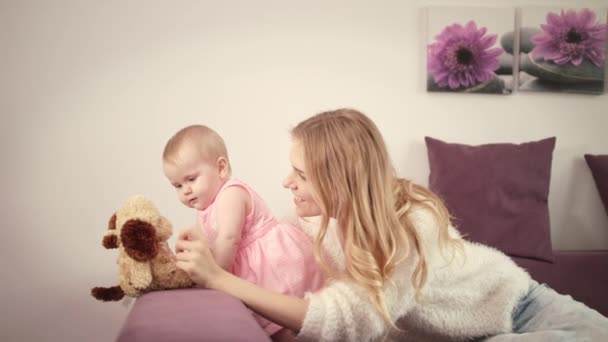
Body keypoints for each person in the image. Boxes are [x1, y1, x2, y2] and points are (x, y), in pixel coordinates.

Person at [174, 109, 608, 341]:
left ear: (340, 181)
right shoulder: (321, 221)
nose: (287, 182)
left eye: (301, 175)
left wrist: (218, 279)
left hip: (530, 312)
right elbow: (266, 245)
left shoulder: (408, 228)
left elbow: (345, 318)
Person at [162, 125, 324, 341]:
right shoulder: (204, 211)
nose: (186, 190)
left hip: (271, 265)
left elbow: (229, 238)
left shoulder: (231, 193)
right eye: (177, 185)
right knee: (270, 328)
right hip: (251, 273)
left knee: (285, 324)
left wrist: (213, 275)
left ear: (221, 168)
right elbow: (206, 247)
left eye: (191, 179)